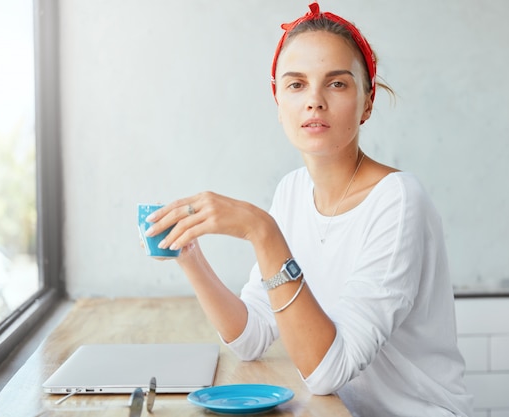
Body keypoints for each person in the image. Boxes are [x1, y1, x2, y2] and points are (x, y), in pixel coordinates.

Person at [143, 3, 473, 416]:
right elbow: (250, 336)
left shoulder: (399, 200)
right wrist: (189, 255)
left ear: (367, 103)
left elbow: (328, 371)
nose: (314, 101)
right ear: (278, 102)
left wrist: (261, 231)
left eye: (336, 84)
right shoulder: (292, 191)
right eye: (296, 85)